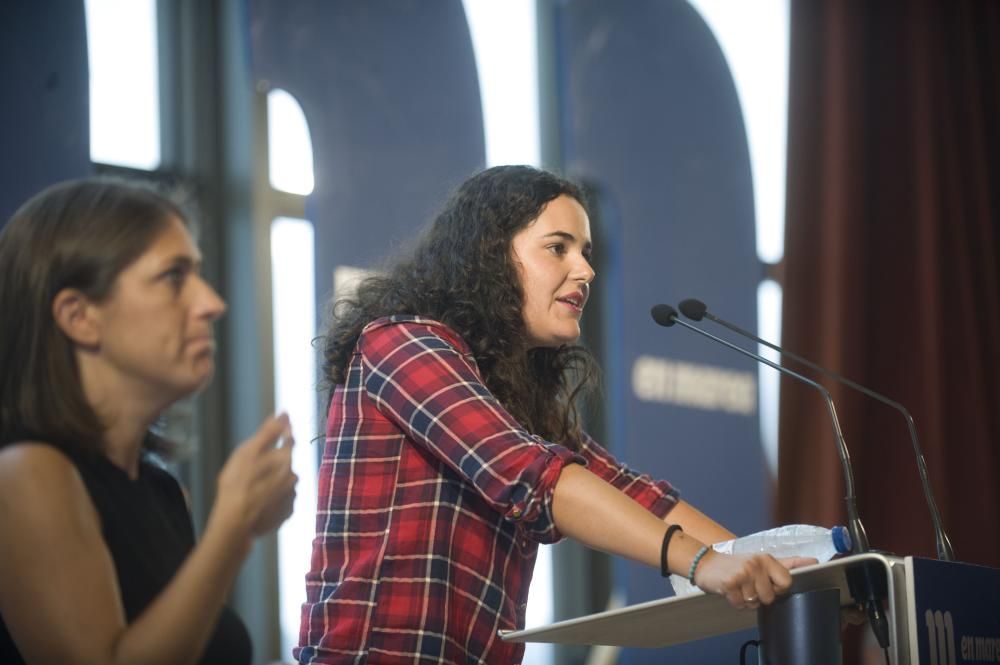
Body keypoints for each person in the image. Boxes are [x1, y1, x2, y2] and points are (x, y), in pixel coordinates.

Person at [296, 165, 810, 664]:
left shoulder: (513, 396)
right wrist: (704, 563)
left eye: (586, 252)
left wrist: (775, 572)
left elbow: (635, 495)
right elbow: (531, 476)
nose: (585, 270)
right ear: (489, 255)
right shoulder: (402, 343)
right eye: (557, 248)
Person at [0, 179, 298, 665]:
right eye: (174, 277)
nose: (212, 303)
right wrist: (234, 529)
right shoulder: (26, 473)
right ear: (79, 316)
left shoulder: (163, 493)